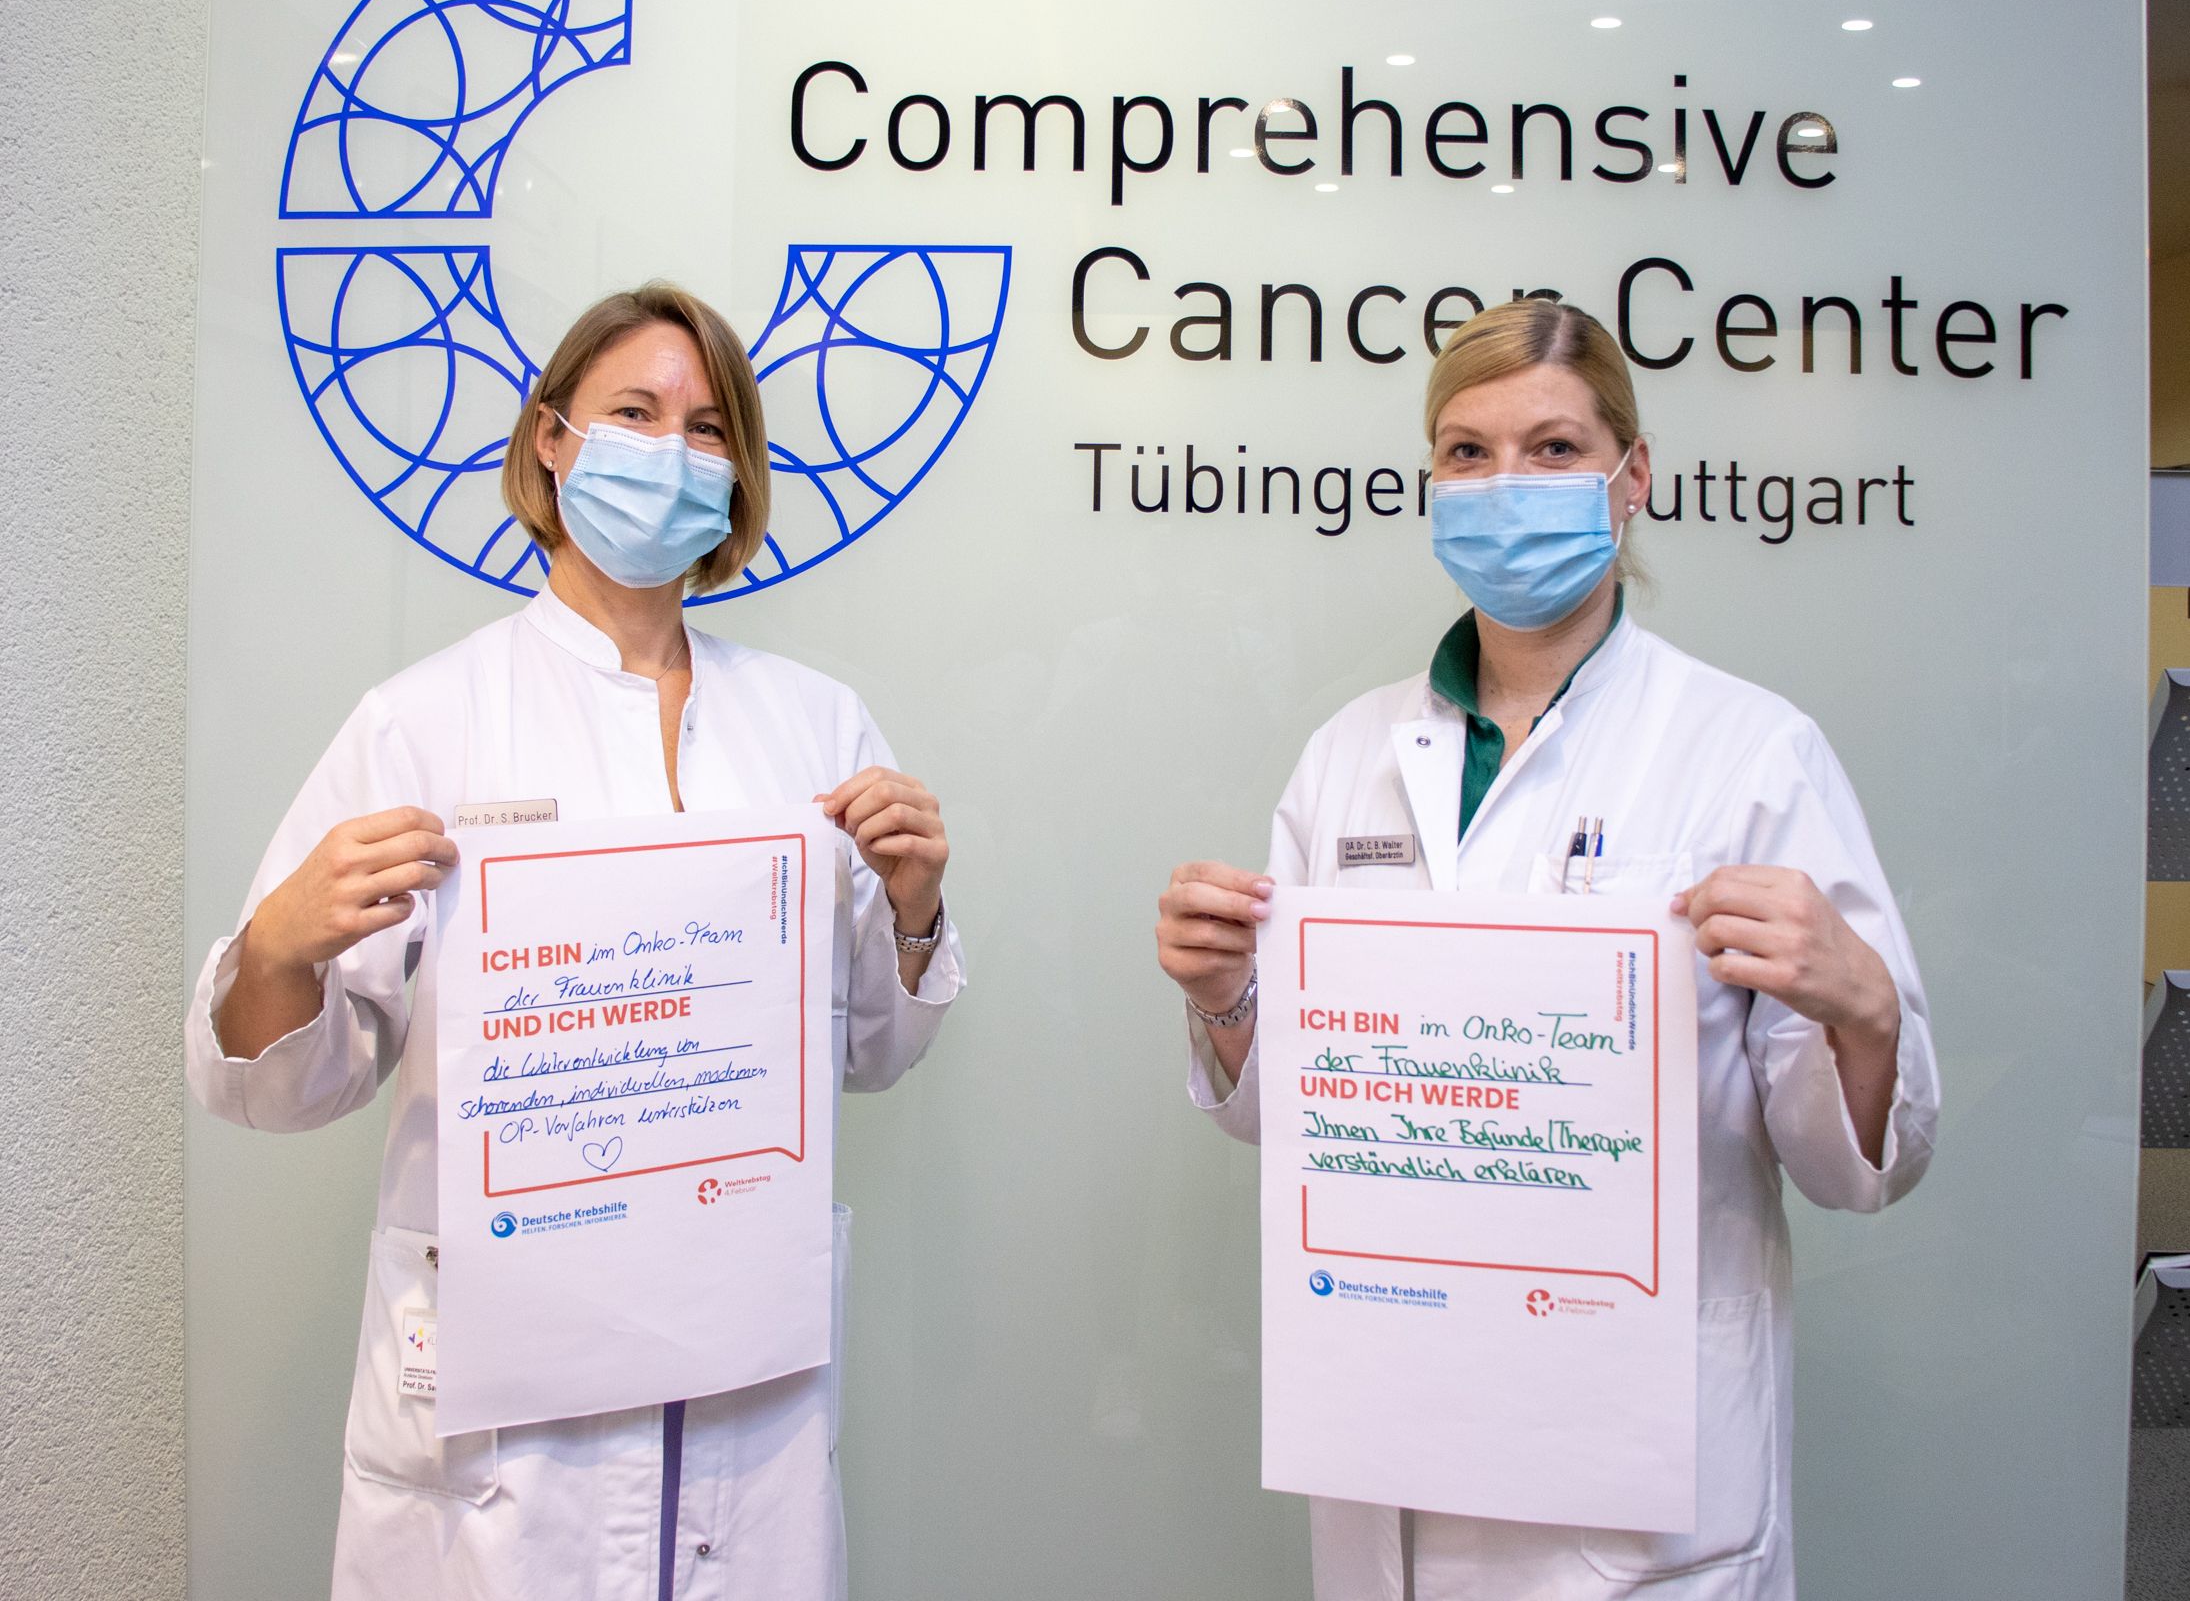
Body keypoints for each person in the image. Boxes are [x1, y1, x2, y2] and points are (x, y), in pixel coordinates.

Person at [185, 281, 962, 1601]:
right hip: (507, 1437)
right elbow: (288, 1087)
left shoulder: (815, 727)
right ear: (551, 439)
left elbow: (869, 1057)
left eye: (707, 429)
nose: (671, 452)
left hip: (742, 1383)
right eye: (634, 413)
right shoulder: (424, 721)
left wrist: (913, 907)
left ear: (739, 473)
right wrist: (278, 951)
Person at [1154, 297, 1938, 1600]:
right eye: (1466, 452)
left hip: (1638, 1488)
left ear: (1633, 478)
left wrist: (1862, 1007)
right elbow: (1301, 1126)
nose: (1504, 485)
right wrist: (1228, 997)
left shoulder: (1747, 752)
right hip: (1393, 1433)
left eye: (1553, 448)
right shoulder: (1348, 755)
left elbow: (1853, 1170)